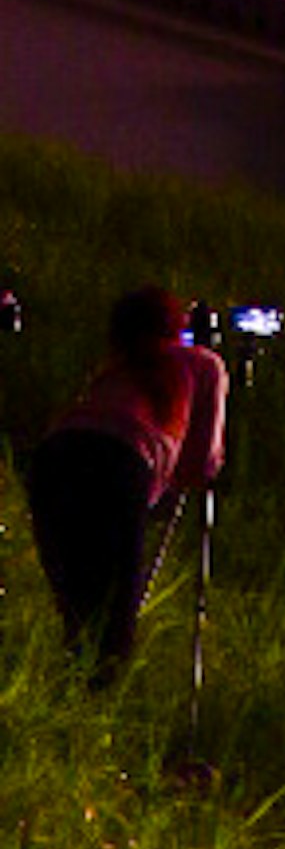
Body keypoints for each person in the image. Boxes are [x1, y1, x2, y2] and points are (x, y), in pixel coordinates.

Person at [22, 283, 224, 677]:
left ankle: (73, 695)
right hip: (119, 465)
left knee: (76, 605)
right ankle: (97, 704)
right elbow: (201, 466)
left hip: (54, 457)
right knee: (115, 620)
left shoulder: (114, 368)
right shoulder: (202, 363)